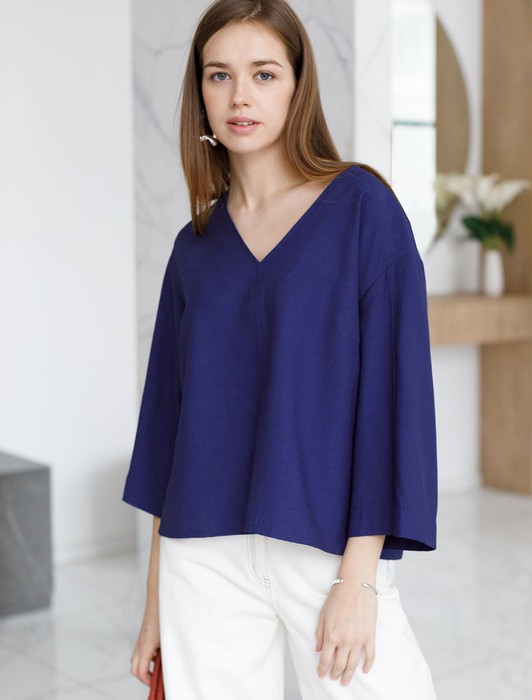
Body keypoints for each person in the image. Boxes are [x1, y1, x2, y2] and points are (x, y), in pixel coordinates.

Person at [122, 1, 438, 698]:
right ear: (200, 93)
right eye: (219, 75)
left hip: (327, 550)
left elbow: (393, 405)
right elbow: (171, 437)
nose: (240, 96)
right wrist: (154, 609)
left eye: (263, 74)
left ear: (298, 86)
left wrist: (360, 580)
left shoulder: (363, 211)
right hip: (202, 558)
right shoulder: (193, 249)